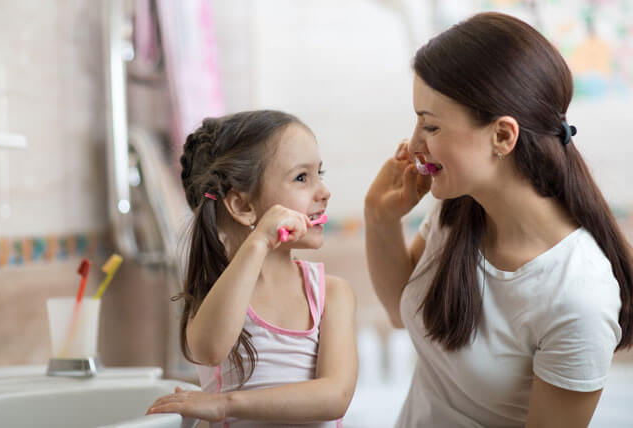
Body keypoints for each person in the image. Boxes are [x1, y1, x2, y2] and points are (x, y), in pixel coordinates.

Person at [365, 12, 633, 428]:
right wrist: (380, 216)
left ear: (503, 136)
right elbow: (403, 314)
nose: (414, 143)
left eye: (431, 125)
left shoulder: (578, 297)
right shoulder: (457, 211)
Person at [147, 110, 358, 427]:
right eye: (302, 178)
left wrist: (225, 405)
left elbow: (335, 397)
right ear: (243, 206)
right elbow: (209, 349)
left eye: (320, 174)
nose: (324, 191)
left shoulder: (332, 293)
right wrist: (259, 242)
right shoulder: (220, 293)